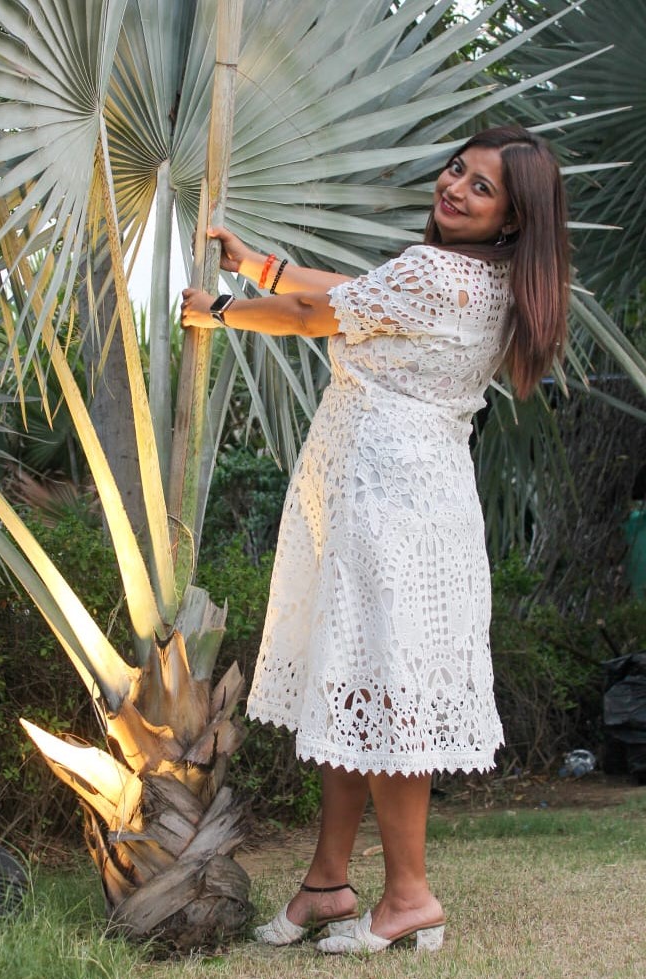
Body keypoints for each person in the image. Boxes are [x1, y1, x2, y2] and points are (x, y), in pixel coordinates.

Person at [180, 125, 570, 955]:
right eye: (457, 169)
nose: (455, 187)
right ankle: (328, 879)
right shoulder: (488, 280)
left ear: (511, 217)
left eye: (482, 187)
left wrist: (218, 308)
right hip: (418, 499)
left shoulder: (438, 272)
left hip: (384, 499)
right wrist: (259, 265)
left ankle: (409, 896)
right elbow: (356, 291)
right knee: (358, 684)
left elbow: (313, 314)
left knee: (386, 693)